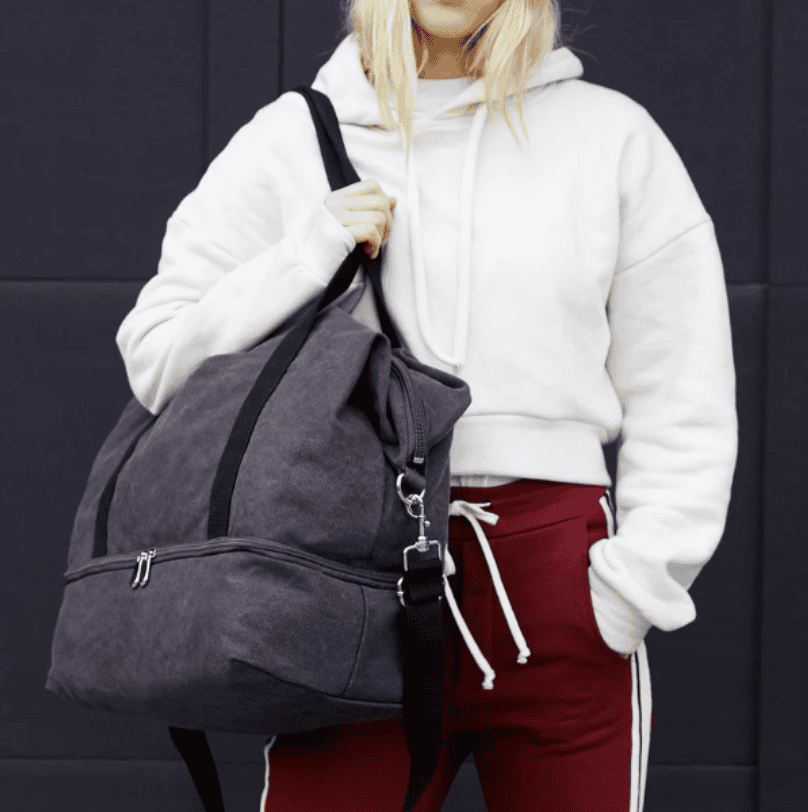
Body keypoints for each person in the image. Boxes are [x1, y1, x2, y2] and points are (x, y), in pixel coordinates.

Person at [115, 1, 738, 810]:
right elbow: (158, 355)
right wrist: (308, 254)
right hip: (347, 583)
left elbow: (683, 384)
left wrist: (631, 590)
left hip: (558, 590)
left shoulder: (611, 137)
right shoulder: (293, 139)